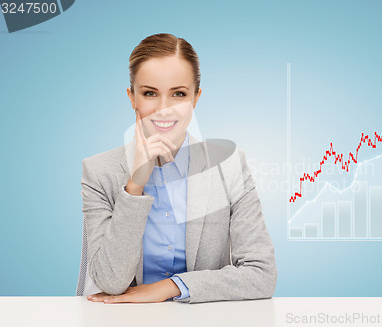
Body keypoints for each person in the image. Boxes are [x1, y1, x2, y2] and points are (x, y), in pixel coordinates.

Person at [78, 33, 277, 304]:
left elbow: (261, 274)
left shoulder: (229, 167)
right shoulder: (99, 172)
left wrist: (171, 286)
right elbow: (111, 282)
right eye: (150, 93)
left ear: (196, 97)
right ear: (132, 97)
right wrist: (134, 185)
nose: (163, 109)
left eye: (178, 94)